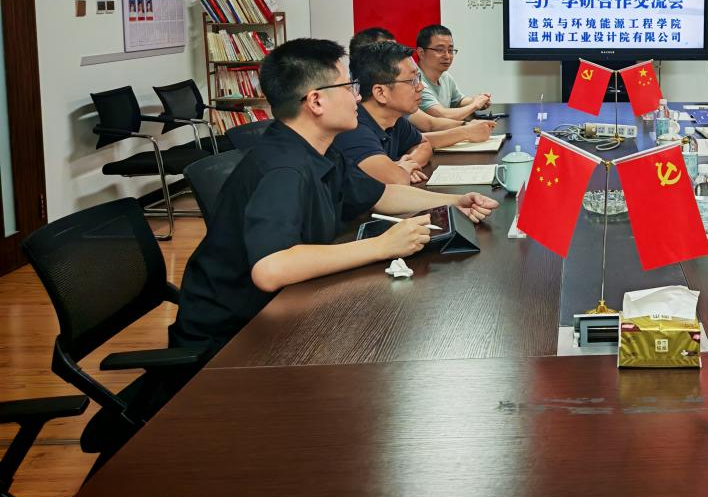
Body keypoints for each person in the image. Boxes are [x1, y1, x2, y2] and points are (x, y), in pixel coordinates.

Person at [170, 38, 499, 357]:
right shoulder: (284, 168)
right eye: (347, 87)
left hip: (284, 307)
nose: (357, 96)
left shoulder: (317, 150)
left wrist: (454, 202)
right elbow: (271, 268)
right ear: (315, 101)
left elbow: (381, 194)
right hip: (233, 341)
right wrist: (381, 246)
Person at [335, 42, 499, 185]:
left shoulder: (394, 119)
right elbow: (396, 179)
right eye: (412, 81)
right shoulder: (354, 129)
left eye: (419, 78)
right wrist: (398, 171)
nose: (421, 87)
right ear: (380, 92)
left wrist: (408, 164)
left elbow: (424, 145)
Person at [350, 26, 495, 144]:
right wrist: (467, 128)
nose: (420, 86)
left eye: (450, 50)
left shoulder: (397, 119)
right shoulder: (355, 126)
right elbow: (430, 124)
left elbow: (422, 143)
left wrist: (469, 120)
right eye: (389, 52)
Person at [416, 24, 491, 121]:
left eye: (450, 50)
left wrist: (478, 100)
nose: (447, 56)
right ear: (421, 53)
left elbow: (458, 101)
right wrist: (475, 105)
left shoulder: (445, 77)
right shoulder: (414, 82)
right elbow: (441, 115)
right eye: (440, 50)